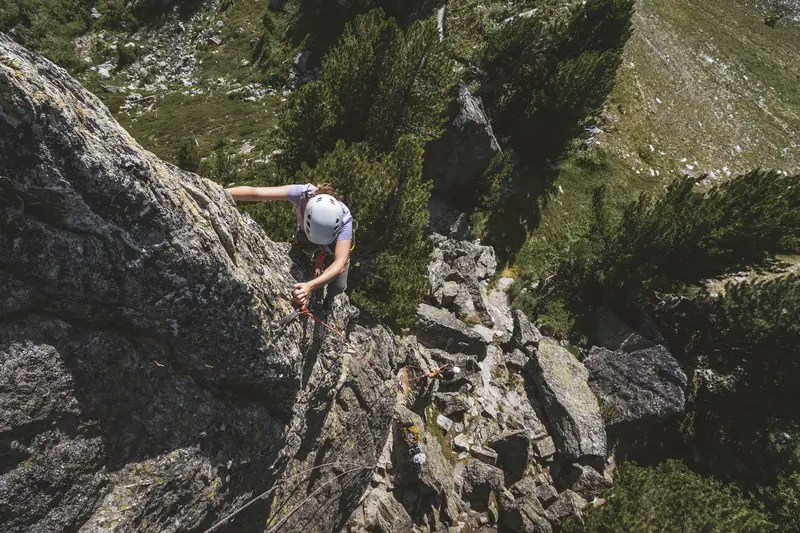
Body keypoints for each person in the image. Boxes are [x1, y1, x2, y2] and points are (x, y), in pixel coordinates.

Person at [225, 183, 353, 307]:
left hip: (333, 245)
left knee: (339, 286)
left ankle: (330, 297)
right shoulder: (302, 194)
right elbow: (256, 193)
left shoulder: (345, 218)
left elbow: (340, 263)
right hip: (307, 236)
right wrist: (223, 192)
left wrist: (310, 285)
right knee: (305, 248)